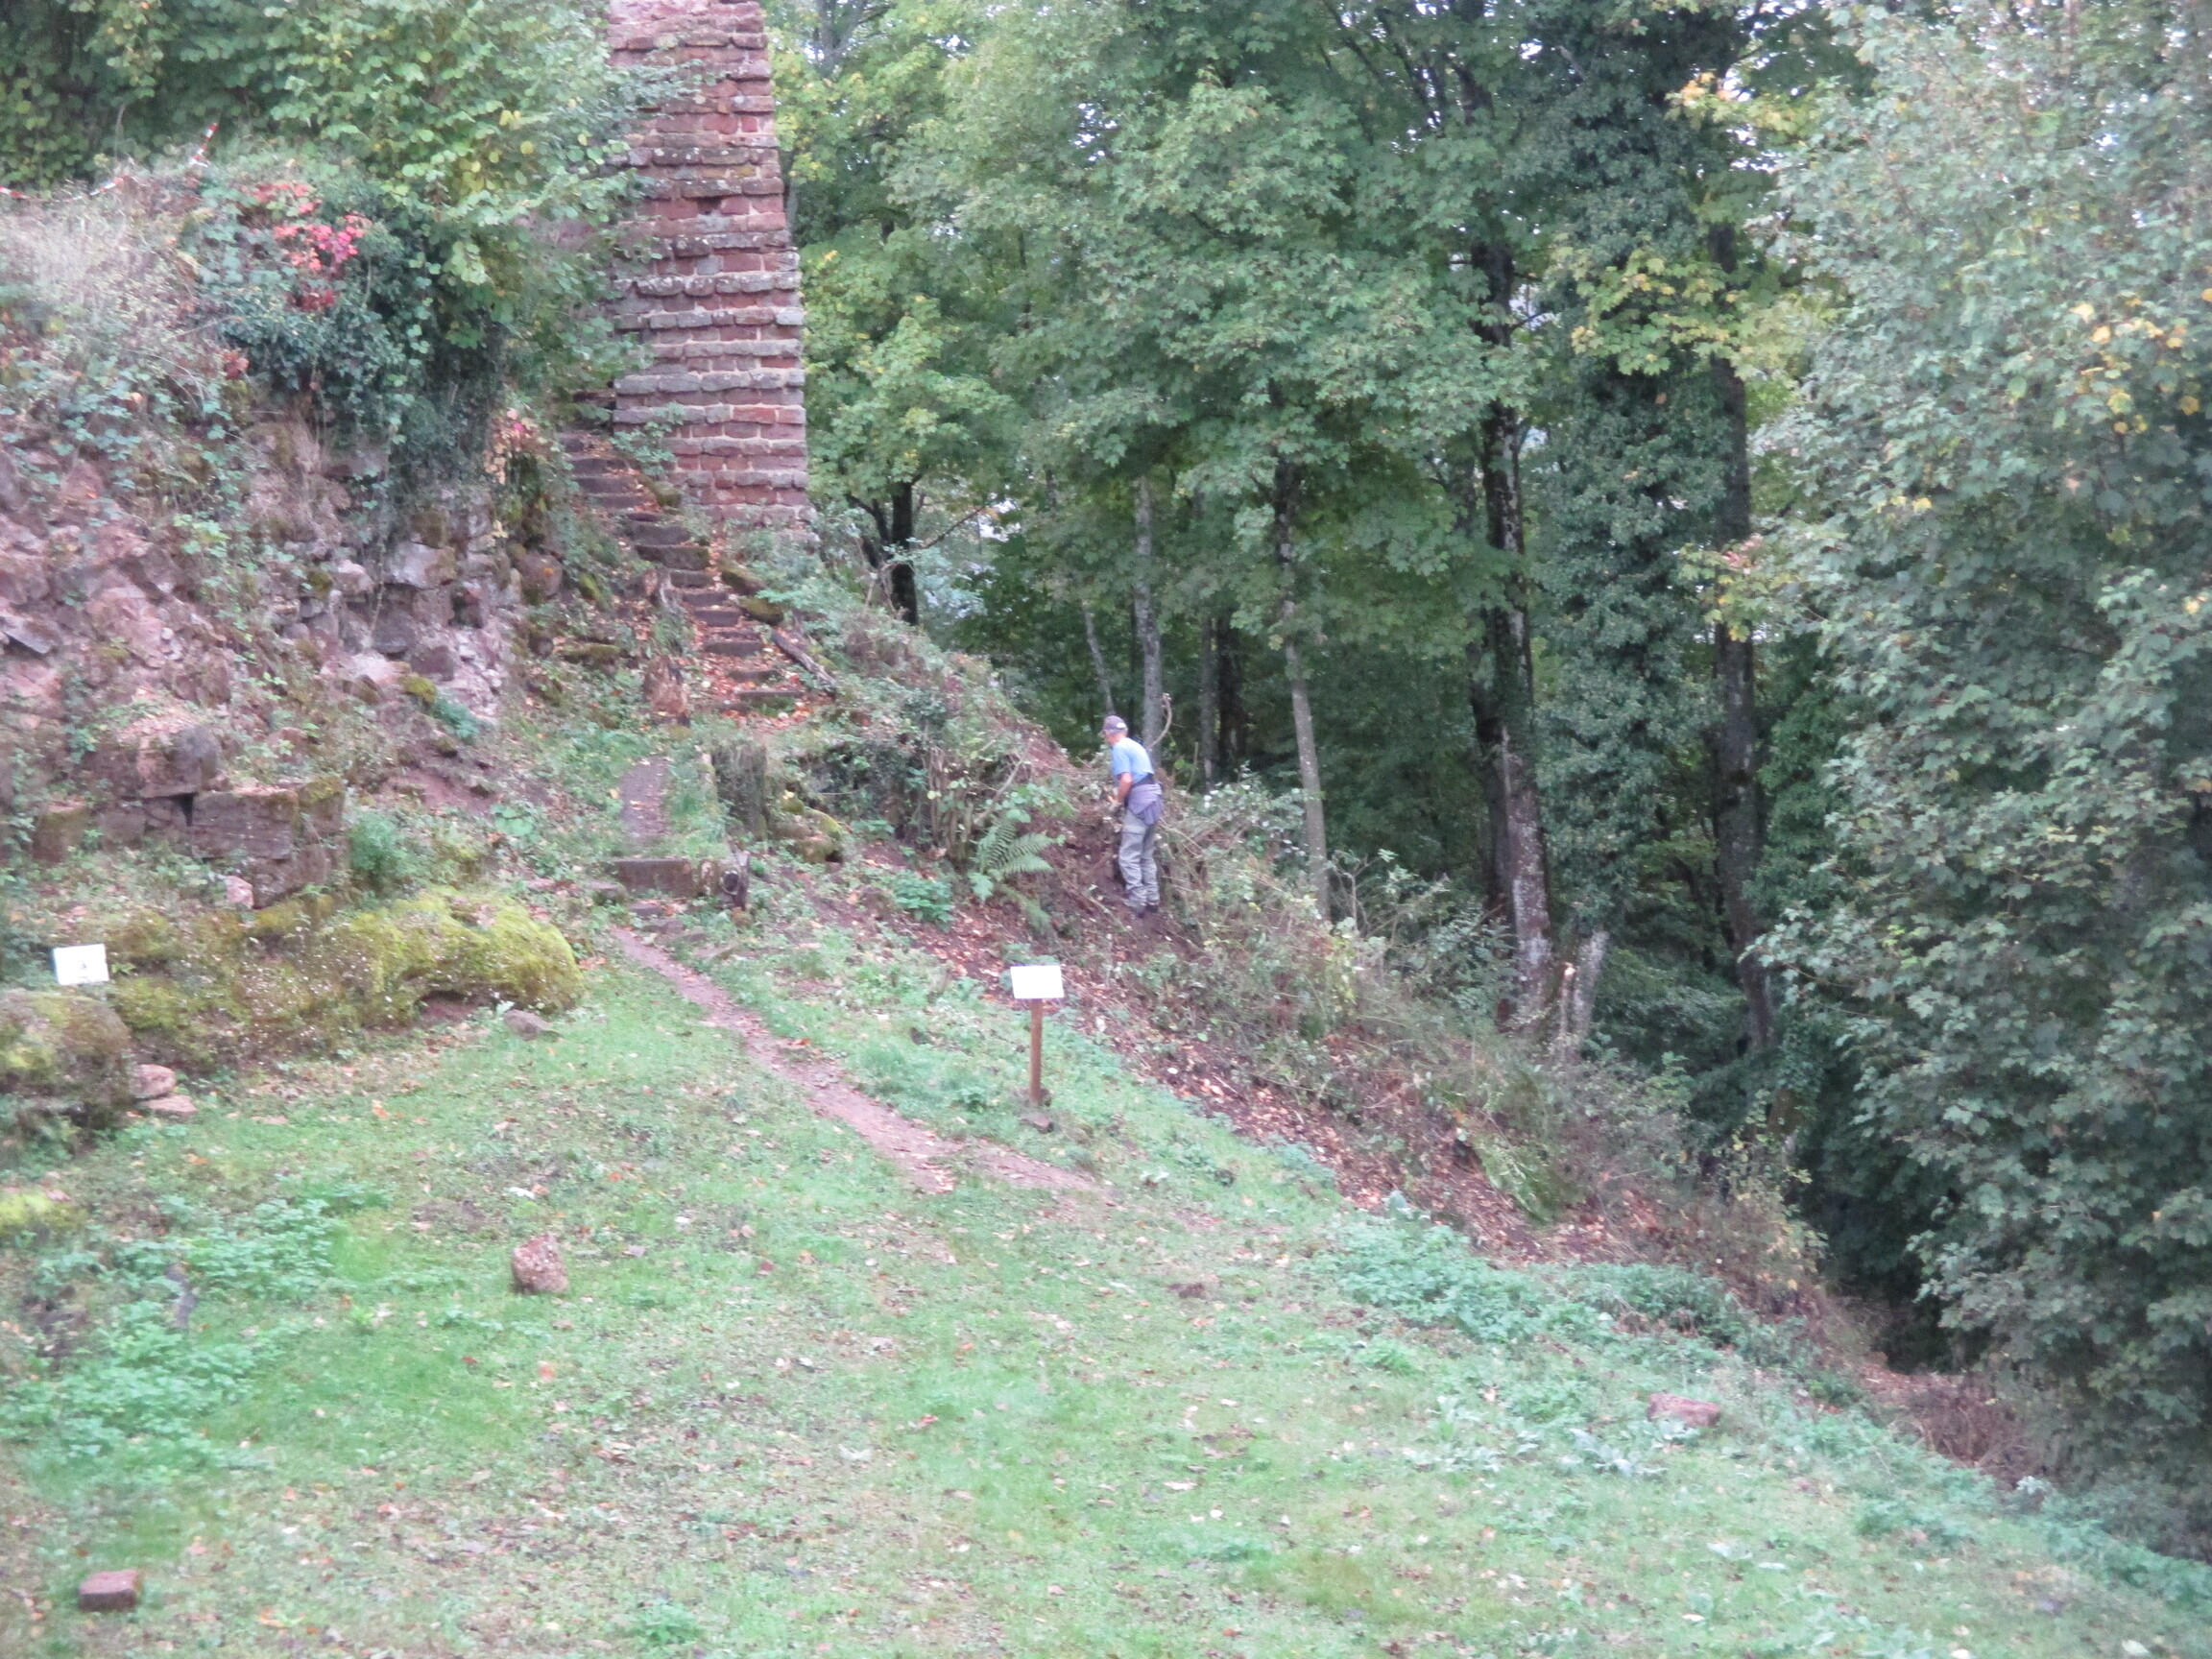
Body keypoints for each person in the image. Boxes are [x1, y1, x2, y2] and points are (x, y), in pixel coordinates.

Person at [1100, 714, 1163, 915]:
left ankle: (1138, 903)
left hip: (1140, 804)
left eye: (1106, 735)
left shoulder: (1119, 748)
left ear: (1109, 734)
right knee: (1146, 855)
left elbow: (1126, 780)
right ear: (1124, 731)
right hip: (1154, 800)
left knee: (1128, 857)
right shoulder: (1136, 746)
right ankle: (1153, 900)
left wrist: (1117, 801)